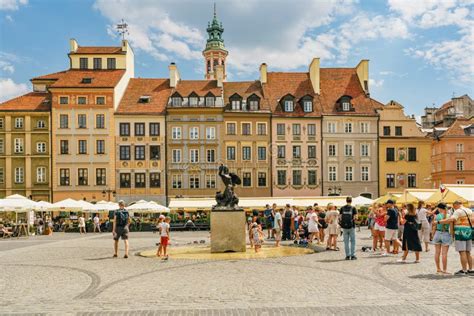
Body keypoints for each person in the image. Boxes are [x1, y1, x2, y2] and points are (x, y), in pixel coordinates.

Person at [438, 200, 473, 276]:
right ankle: (471, 269)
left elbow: (452, 219)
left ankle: (464, 270)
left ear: (456, 205)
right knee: (468, 252)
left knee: (462, 251)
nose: (454, 208)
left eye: (454, 207)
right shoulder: (469, 210)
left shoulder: (458, 211)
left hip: (460, 232)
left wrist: (439, 222)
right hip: (469, 231)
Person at [431, 203, 451, 275]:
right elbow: (451, 227)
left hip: (437, 234)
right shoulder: (449, 216)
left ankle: (438, 269)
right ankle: (445, 270)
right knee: (444, 254)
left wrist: (432, 235)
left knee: (437, 253)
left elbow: (434, 227)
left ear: (439, 208)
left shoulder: (437, 216)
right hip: (446, 234)